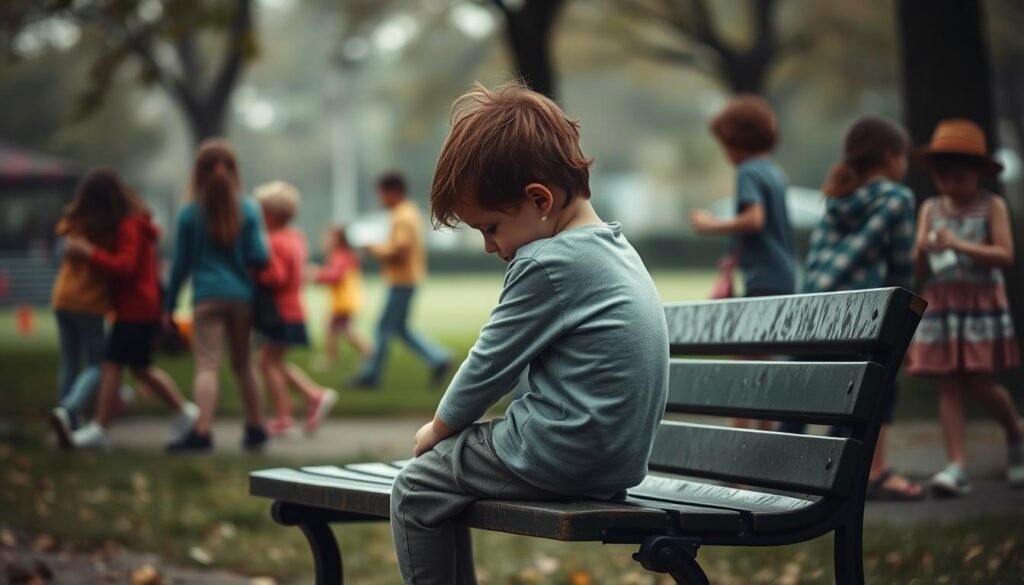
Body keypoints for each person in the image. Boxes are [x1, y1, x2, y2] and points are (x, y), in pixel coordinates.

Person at [389, 82, 669, 585]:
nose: (489, 246)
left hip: (560, 454)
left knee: (417, 489)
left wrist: (439, 429)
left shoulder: (549, 261)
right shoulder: (614, 249)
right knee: (447, 478)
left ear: (539, 199)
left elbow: (490, 361)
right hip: (614, 463)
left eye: (490, 227)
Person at [777, 116, 924, 500]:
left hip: (811, 316)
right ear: (891, 157)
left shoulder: (837, 195)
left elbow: (817, 261)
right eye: (903, 156)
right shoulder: (896, 198)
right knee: (875, 387)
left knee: (811, 394)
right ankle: (856, 475)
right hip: (859, 320)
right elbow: (902, 270)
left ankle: (778, 470)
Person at [906, 119, 1024, 497]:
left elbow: (1005, 255)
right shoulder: (930, 208)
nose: (951, 186)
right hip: (943, 303)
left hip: (979, 303)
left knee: (979, 380)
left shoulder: (992, 206)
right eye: (943, 179)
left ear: (977, 174)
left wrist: (958, 244)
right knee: (950, 382)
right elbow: (918, 269)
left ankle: (1015, 430)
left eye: (959, 178)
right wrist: (924, 248)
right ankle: (956, 466)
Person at [49, 169, 198, 450]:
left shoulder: (130, 225)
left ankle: (99, 429)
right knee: (138, 369)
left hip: (136, 307)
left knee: (111, 364)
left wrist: (90, 253)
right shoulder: (132, 223)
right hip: (136, 307)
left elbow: (125, 267)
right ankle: (183, 412)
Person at [689, 94, 797, 430]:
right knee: (764, 365)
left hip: (762, 281)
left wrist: (711, 225)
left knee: (746, 365)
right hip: (781, 277)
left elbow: (755, 220)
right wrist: (736, 253)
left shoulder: (749, 171)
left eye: (724, 144)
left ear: (737, 141)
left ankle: (743, 445)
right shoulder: (773, 171)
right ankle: (763, 439)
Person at [163, 139, 270, 453]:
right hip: (242, 298)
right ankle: (256, 429)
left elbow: (180, 265)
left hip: (206, 298)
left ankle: (203, 432)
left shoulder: (189, 214)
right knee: (244, 365)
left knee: (207, 365)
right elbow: (261, 256)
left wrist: (168, 305)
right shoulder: (249, 208)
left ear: (198, 172)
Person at [348, 172, 452, 389]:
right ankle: (439, 358)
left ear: (392, 192)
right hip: (407, 279)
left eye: (381, 194)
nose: (380, 199)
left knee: (382, 329)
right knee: (400, 329)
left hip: (402, 280)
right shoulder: (409, 211)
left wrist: (372, 248)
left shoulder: (402, 215)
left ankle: (371, 376)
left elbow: (401, 249)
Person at [253, 181, 338, 437]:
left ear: (268, 214)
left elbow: (275, 276)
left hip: (279, 311)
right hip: (293, 309)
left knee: (268, 363)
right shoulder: (295, 237)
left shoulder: (273, 241)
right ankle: (313, 396)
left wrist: (255, 269)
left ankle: (284, 416)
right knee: (272, 361)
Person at [48, 170, 130, 433]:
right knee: (99, 363)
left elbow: (59, 253)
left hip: (62, 298)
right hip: (88, 303)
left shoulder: (73, 222)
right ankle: (69, 408)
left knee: (70, 362)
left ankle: (66, 421)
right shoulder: (108, 228)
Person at [311, 225, 370, 371]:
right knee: (337, 329)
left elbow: (335, 276)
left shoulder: (340, 256)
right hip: (344, 301)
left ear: (338, 239)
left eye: (328, 237)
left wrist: (317, 275)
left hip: (344, 301)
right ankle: (366, 353)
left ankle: (368, 353)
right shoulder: (343, 255)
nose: (324, 240)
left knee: (340, 330)